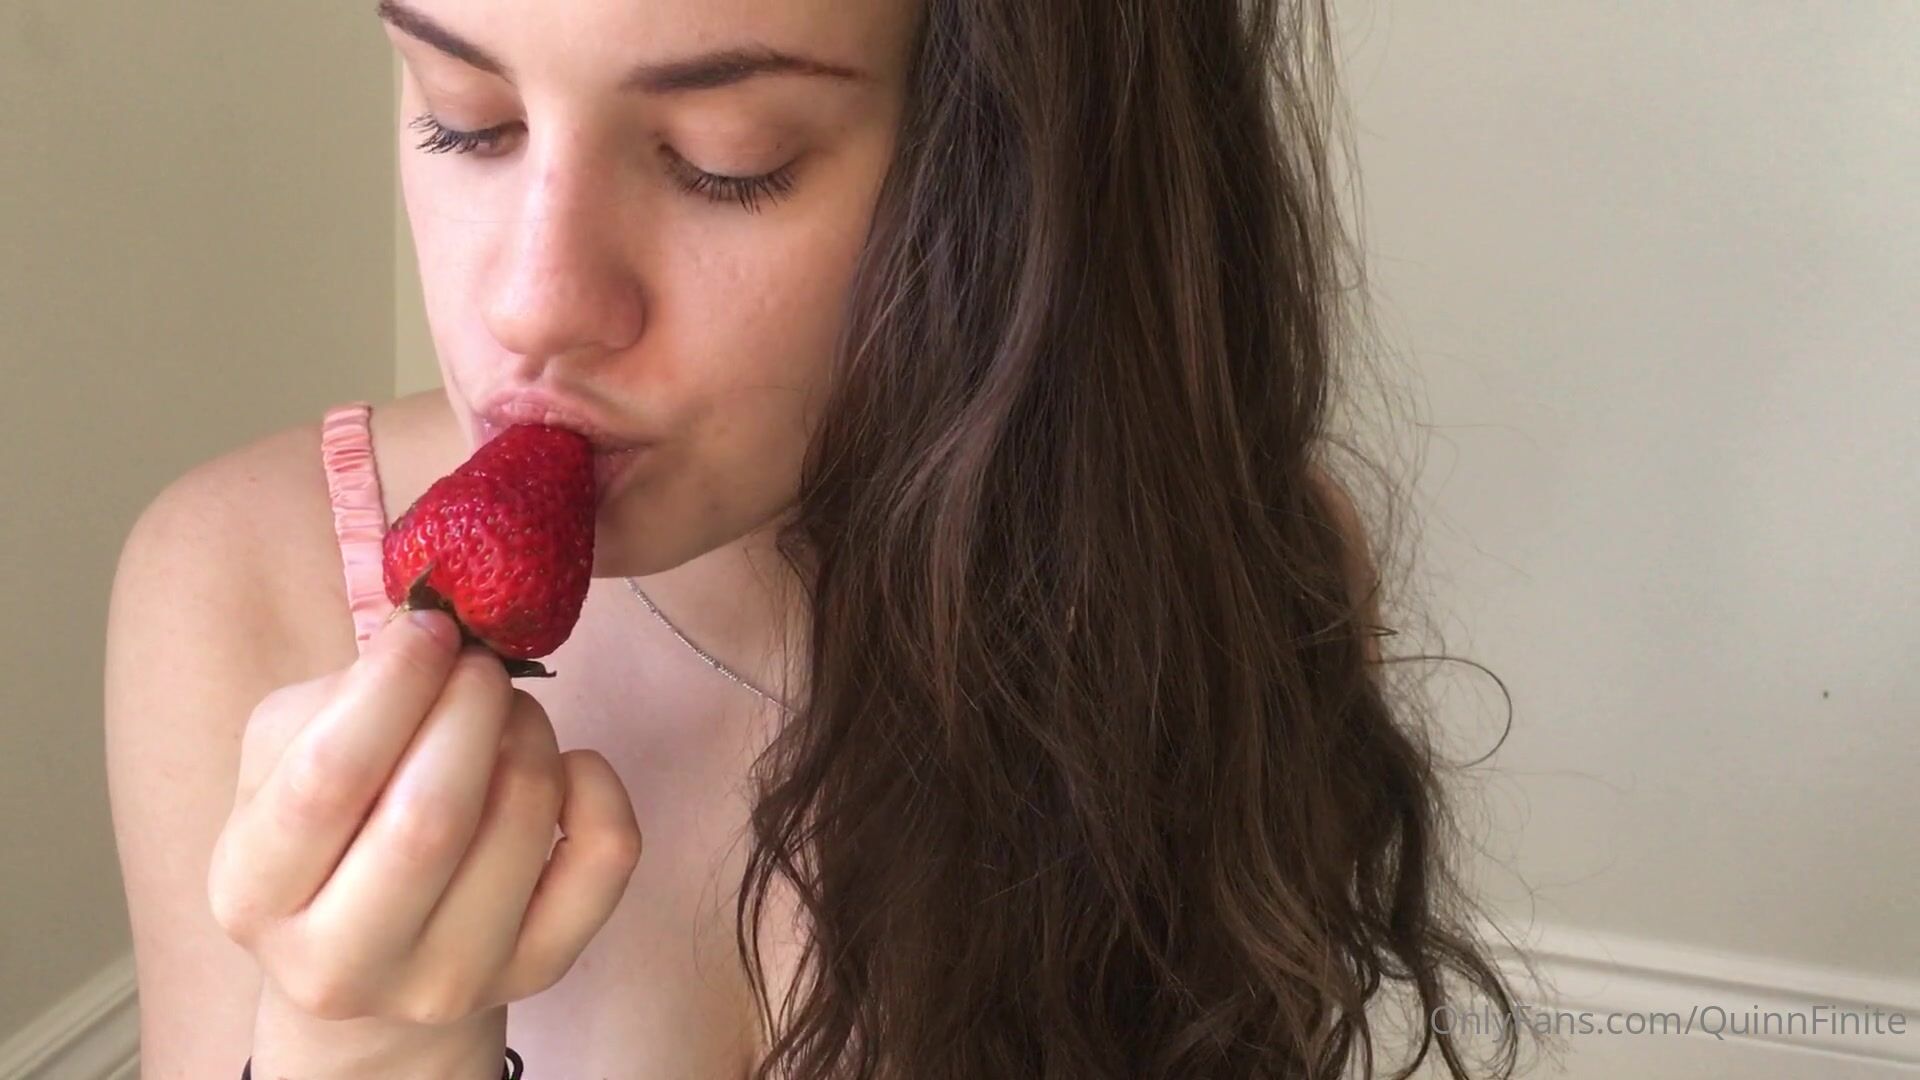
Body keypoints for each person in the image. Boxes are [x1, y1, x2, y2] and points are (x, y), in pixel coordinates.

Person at [105, 0, 1528, 1076]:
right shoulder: (245, 581)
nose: (533, 302)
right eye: (465, 117)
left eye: (729, 161)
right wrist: (357, 1053)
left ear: (1024, 181)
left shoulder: (1244, 581)